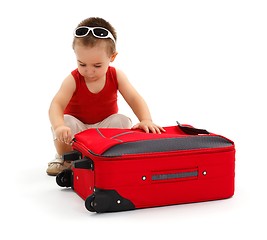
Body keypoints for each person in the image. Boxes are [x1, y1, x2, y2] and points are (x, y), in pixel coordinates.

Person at [47, 17, 165, 176]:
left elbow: (134, 98)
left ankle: (106, 157)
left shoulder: (116, 75)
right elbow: (56, 105)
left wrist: (146, 120)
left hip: (103, 131)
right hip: (77, 130)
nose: (89, 71)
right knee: (66, 120)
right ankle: (66, 158)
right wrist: (59, 126)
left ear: (112, 57)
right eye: (82, 64)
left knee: (122, 120)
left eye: (97, 65)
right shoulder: (73, 79)